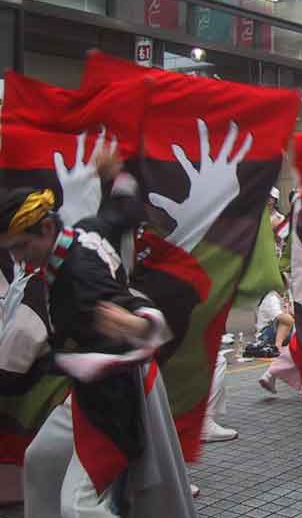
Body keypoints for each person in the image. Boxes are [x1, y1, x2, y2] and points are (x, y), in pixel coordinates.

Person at [0, 187, 195, 518]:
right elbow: (120, 213)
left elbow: (120, 300)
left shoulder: (79, 273)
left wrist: (139, 324)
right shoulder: (84, 232)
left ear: (47, 228)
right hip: (88, 386)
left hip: (116, 392)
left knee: (79, 506)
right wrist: (113, 178)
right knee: (41, 461)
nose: (18, 258)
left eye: (21, 246)